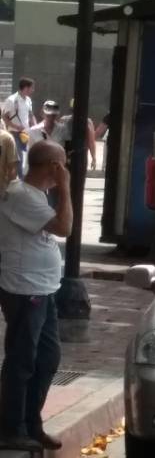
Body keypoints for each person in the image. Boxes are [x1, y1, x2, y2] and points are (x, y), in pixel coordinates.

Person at [0, 141, 70, 452]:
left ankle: (31, 422)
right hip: (25, 290)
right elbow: (65, 226)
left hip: (43, 289)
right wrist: (66, 189)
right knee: (22, 361)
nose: (65, 170)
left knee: (47, 357)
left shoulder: (34, 195)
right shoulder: (22, 196)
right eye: (63, 164)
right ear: (53, 165)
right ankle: (11, 427)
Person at [3, 78, 35, 176]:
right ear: (25, 88)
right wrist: (15, 126)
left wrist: (35, 126)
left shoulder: (28, 100)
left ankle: (24, 179)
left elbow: (31, 115)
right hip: (14, 133)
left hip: (26, 133)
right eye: (32, 88)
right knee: (19, 158)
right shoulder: (11, 100)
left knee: (28, 158)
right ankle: (21, 182)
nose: (33, 90)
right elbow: (4, 117)